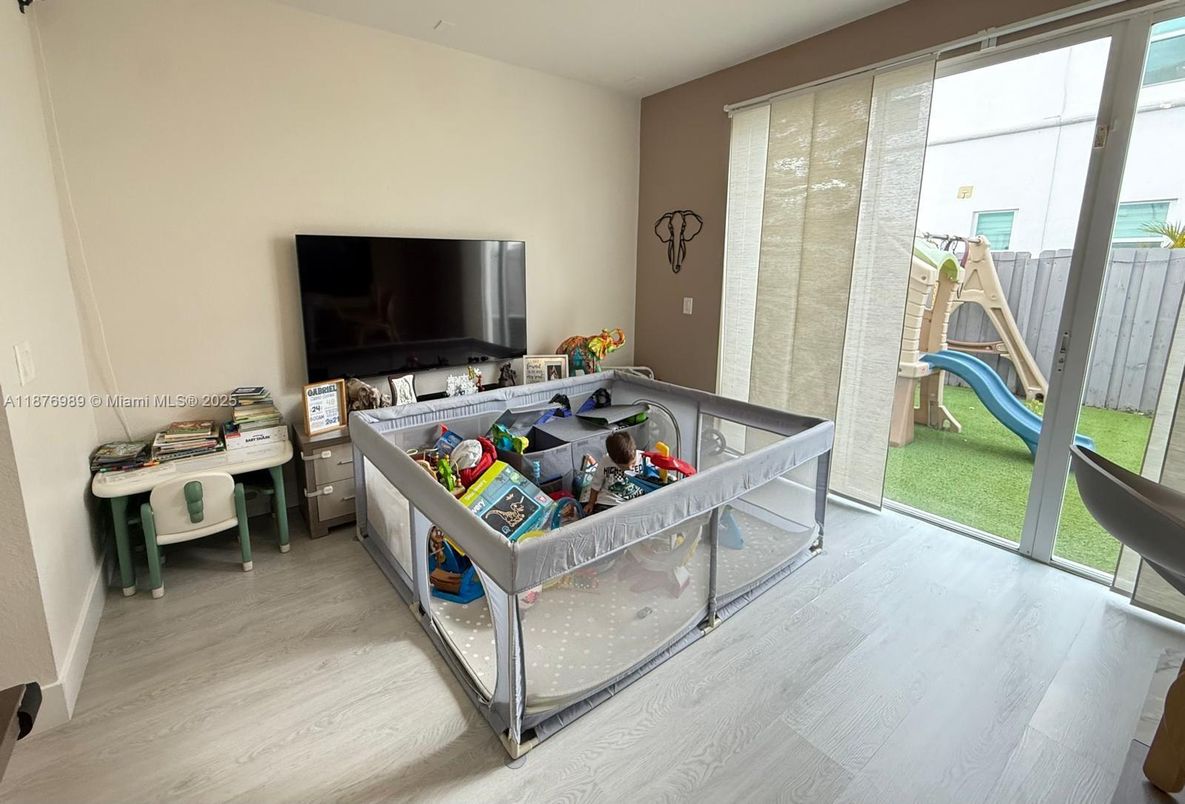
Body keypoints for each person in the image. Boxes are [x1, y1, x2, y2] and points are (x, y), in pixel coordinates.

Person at [585, 430, 645, 514]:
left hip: (636, 501)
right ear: (613, 460)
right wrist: (591, 503)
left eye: (633, 463)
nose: (630, 468)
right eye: (624, 467)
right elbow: (596, 484)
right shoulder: (605, 461)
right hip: (610, 502)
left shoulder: (644, 458)